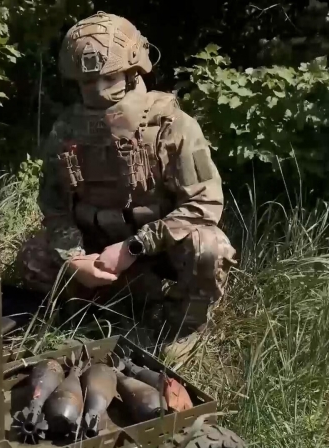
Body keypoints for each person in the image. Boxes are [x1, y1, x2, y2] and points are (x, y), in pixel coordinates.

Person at [16, 11, 237, 364]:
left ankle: (183, 325)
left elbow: (203, 205)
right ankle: (109, 297)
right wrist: (75, 259)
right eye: (87, 84)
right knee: (33, 259)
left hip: (156, 248)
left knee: (210, 247)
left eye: (108, 79)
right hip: (94, 245)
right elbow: (55, 207)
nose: (98, 91)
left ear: (134, 67)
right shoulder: (66, 130)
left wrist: (134, 247)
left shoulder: (172, 125)